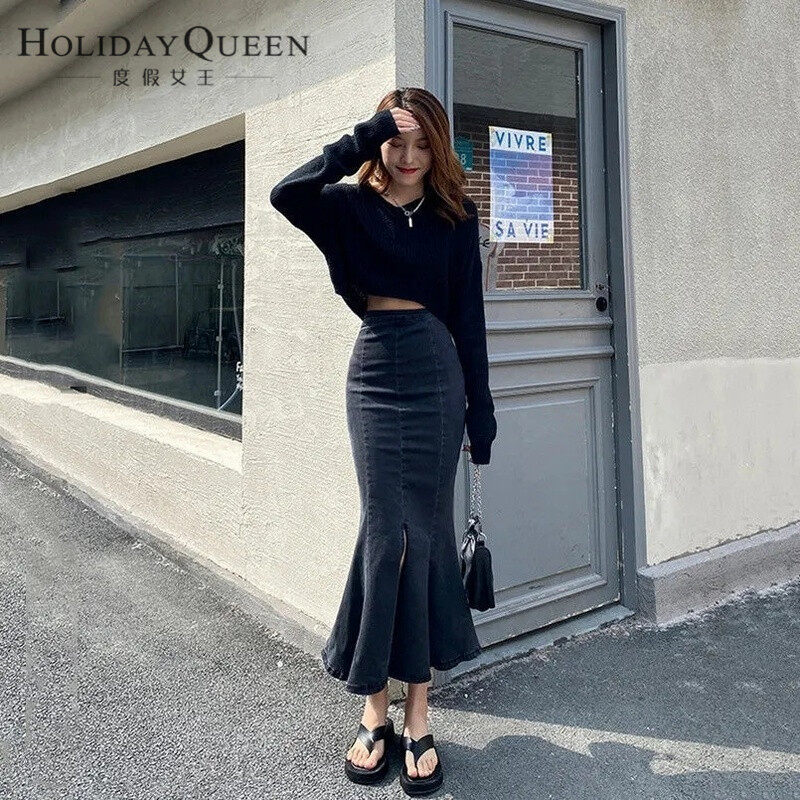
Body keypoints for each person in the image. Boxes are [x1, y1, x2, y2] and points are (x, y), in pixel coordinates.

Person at [269, 87, 497, 796]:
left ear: (440, 149)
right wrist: (361, 136)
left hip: (437, 376)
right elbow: (286, 194)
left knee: (422, 536)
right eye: (397, 142)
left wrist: (481, 414)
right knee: (383, 534)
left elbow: (470, 320)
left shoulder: (456, 218)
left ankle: (418, 710)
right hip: (374, 373)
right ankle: (375, 707)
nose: (408, 156)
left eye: (423, 144)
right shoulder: (349, 207)